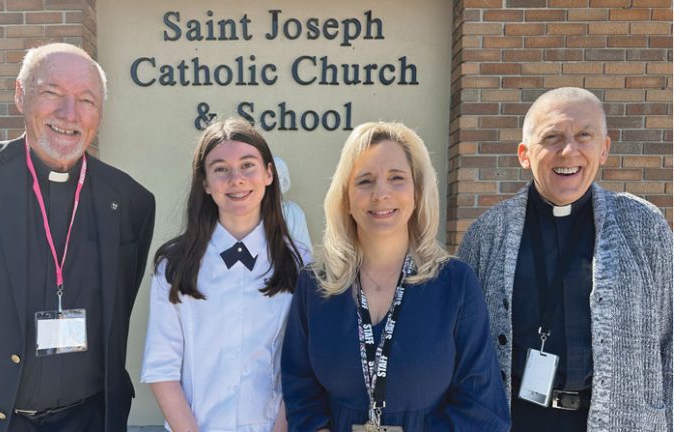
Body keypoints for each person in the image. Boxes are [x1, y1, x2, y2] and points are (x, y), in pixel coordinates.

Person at [0, 43, 156, 432]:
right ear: (20, 94)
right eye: (52, 93)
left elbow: (120, 304)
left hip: (90, 420)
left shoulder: (129, 201)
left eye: (86, 100)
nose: (69, 114)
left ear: (101, 113)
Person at [458, 87, 672, 432]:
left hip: (618, 420)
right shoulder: (487, 234)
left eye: (584, 136)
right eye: (552, 137)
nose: (569, 151)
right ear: (525, 154)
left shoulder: (644, 227)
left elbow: (670, 339)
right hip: (514, 419)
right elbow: (462, 348)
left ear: (604, 149)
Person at [281, 122, 510, 431]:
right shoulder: (315, 284)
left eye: (397, 178)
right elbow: (300, 385)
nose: (381, 193)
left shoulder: (455, 283)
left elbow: (481, 404)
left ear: (416, 192)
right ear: (346, 198)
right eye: (365, 181)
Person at [140, 118, 309, 432]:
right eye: (220, 169)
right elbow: (162, 367)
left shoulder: (300, 263)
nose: (236, 179)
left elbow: (303, 369)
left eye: (248, 165)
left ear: (269, 173)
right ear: (204, 182)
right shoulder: (174, 264)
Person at [274, 156, 313, 252]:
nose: (274, 184)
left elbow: (305, 251)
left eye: (278, 178)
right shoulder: (252, 213)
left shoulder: (293, 212)